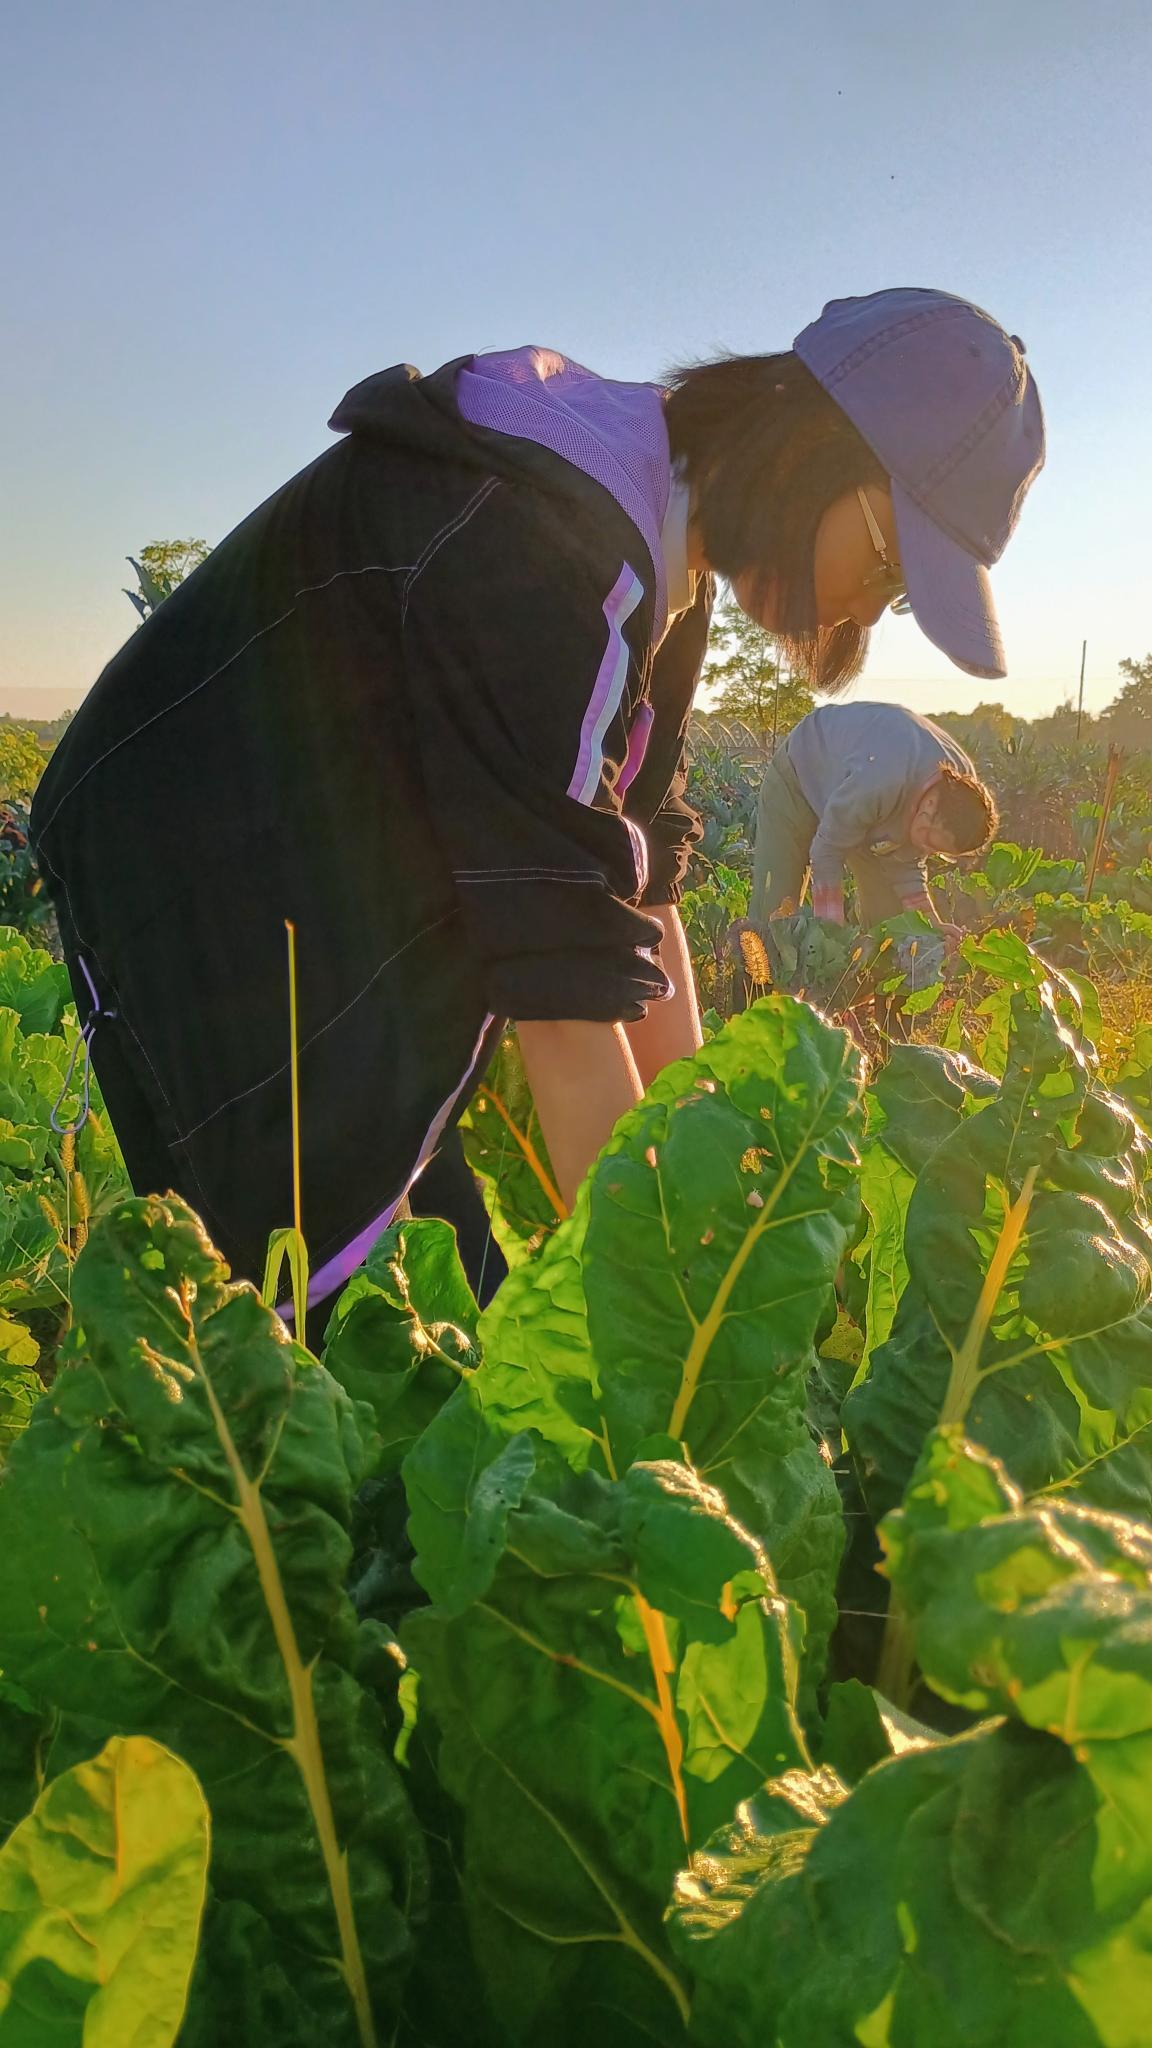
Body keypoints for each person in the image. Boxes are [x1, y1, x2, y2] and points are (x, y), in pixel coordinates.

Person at [31, 287, 1044, 1325]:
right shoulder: (552, 541)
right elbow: (561, 978)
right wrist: (674, 1323)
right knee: (292, 1273)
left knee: (420, 1261)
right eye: (889, 561)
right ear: (807, 455)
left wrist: (698, 1148)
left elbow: (639, 864)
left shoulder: (674, 564)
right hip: (191, 857)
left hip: (346, 861)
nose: (869, 609)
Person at [750, 701, 998, 936]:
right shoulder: (881, 781)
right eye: (930, 842)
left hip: (863, 803)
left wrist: (932, 926)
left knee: (891, 920)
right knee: (776, 910)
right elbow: (826, 851)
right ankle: (755, 966)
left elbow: (907, 864)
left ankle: (875, 966)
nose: (926, 851)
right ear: (929, 807)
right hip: (802, 771)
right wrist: (830, 931)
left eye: (938, 852)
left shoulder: (963, 794)